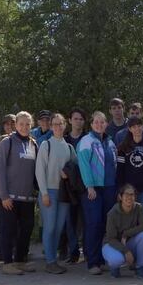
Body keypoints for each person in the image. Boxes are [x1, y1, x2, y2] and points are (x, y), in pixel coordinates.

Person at [0, 111, 38, 275]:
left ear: (31, 126)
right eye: (21, 124)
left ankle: (20, 260)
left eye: (28, 124)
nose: (24, 127)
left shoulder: (34, 144)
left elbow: (36, 172)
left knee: (26, 229)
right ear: (16, 125)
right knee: (8, 230)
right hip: (8, 198)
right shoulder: (7, 143)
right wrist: (3, 195)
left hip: (27, 198)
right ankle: (7, 262)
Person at [34, 113, 76, 274]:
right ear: (51, 127)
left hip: (64, 193)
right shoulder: (46, 145)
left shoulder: (69, 147)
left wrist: (68, 173)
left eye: (60, 124)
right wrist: (44, 193)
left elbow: (75, 167)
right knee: (50, 227)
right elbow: (39, 171)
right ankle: (50, 261)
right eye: (55, 124)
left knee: (59, 228)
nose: (58, 127)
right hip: (49, 191)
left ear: (65, 125)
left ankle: (53, 260)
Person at [77, 111, 118, 275]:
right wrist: (89, 186)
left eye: (102, 122)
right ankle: (92, 262)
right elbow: (84, 165)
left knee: (103, 225)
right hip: (93, 189)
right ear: (91, 124)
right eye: (96, 122)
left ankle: (101, 260)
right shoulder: (86, 141)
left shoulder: (110, 141)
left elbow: (114, 165)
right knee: (93, 224)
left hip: (109, 187)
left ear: (106, 124)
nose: (99, 125)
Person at [101, 184, 143, 279]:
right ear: (120, 196)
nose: (129, 197)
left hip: (128, 241)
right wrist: (126, 251)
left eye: (132, 194)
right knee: (116, 260)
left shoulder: (138, 208)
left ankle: (139, 267)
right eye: (126, 194)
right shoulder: (112, 213)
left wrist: (126, 233)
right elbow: (111, 238)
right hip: (111, 244)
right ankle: (114, 268)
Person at [116, 116, 143, 220]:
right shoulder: (123, 148)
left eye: (139, 126)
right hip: (128, 189)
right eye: (134, 127)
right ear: (130, 129)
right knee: (129, 217)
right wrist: (120, 190)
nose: (137, 129)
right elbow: (120, 171)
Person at [61, 107, 87, 263]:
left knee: (85, 220)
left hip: (85, 185)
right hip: (68, 186)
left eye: (81, 119)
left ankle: (87, 251)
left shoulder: (88, 139)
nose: (78, 121)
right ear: (69, 120)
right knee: (69, 221)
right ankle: (73, 252)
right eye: (76, 118)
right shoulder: (63, 140)